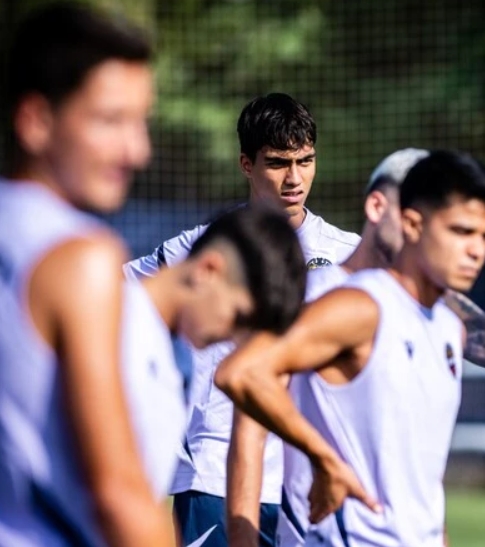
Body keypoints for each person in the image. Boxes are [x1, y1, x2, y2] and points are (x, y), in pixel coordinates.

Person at [224, 148, 485, 546]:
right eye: (460, 231)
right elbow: (242, 374)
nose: (476, 249)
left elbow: (419, 479)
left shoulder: (447, 325)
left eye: (484, 235)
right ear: (412, 223)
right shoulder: (359, 304)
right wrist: (326, 459)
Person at [124, 93, 360, 547]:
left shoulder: (349, 255)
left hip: (307, 481)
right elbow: (109, 299)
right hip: (213, 475)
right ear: (246, 165)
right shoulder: (202, 248)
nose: (295, 178)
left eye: (305, 161)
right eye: (277, 163)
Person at [0, 3, 168, 546]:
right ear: (36, 121)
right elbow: (117, 493)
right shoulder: (83, 258)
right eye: (110, 120)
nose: (137, 150)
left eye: (140, 121)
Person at [123, 205, 308, 501]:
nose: (234, 341)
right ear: (208, 269)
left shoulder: (173, 363)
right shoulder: (108, 327)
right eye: (238, 317)